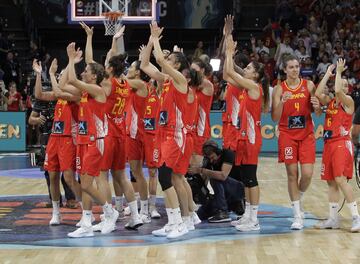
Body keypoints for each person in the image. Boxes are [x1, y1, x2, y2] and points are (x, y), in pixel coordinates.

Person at [79, 22, 143, 231]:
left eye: (106, 66)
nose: (103, 66)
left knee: (101, 176)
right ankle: (135, 215)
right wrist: (115, 41)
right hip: (121, 134)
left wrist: (90, 38)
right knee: (122, 176)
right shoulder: (126, 82)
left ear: (109, 70)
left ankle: (109, 218)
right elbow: (111, 59)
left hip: (106, 135)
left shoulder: (107, 83)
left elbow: (91, 63)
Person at [140, 21, 202, 238]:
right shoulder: (166, 80)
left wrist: (156, 38)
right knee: (176, 178)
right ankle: (184, 220)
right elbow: (145, 64)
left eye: (169, 60)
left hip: (176, 136)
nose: (165, 61)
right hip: (167, 134)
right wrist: (150, 41)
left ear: (177, 65)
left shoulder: (179, 80)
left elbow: (158, 60)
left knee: (166, 178)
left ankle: (177, 221)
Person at [64, 42, 119, 238]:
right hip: (85, 141)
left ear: (93, 76)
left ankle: (110, 211)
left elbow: (73, 79)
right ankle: (87, 223)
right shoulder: (85, 93)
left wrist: (71, 60)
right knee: (85, 183)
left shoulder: (97, 91)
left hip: (97, 141)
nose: (83, 72)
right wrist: (71, 63)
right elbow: (65, 84)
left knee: (87, 184)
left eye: (86, 70)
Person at [223, 34, 270, 232]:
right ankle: (247, 216)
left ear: (256, 75)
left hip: (251, 140)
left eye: (250, 68)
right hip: (243, 139)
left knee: (251, 180)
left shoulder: (253, 87)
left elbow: (232, 73)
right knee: (246, 179)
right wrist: (228, 52)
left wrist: (230, 51)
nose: (247, 69)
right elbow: (228, 72)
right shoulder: (246, 87)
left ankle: (254, 219)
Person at [271, 54, 320, 230]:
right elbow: (275, 117)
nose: (294, 69)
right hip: (287, 135)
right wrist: (282, 103)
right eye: (291, 67)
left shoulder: (308, 85)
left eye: (297, 66)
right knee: (292, 174)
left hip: (306, 134)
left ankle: (297, 196)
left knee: (307, 174)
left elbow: (318, 113)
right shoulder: (279, 89)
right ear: (284, 69)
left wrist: (317, 106)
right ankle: (297, 214)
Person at [32, 58, 82, 225]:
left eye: (63, 76)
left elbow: (60, 89)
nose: (60, 78)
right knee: (52, 175)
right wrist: (39, 75)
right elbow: (39, 95)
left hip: (68, 139)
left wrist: (68, 63)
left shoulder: (76, 94)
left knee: (68, 178)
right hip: (54, 138)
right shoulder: (58, 96)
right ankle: (56, 212)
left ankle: (85, 211)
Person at [314, 59, 360, 232]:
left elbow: (338, 89)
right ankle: (333, 219)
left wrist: (339, 72)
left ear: (348, 89)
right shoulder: (332, 102)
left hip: (342, 143)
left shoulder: (348, 102)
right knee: (331, 183)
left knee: (340, 179)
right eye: (343, 84)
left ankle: (356, 217)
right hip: (329, 144)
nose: (343, 86)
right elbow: (318, 93)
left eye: (346, 85)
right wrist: (328, 73)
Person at [188, 140, 245, 222]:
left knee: (215, 177)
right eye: (209, 158)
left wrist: (200, 170)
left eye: (212, 157)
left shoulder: (228, 154)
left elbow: (223, 176)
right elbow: (204, 180)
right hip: (224, 194)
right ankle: (228, 206)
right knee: (201, 213)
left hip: (238, 189)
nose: (211, 161)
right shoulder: (208, 161)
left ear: (217, 152)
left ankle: (223, 212)